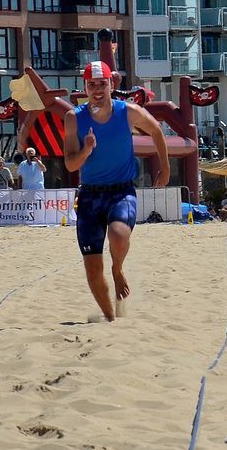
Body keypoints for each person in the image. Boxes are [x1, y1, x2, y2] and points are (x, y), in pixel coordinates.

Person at [62, 61, 169, 322]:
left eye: (102, 84)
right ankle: (110, 319)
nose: (97, 90)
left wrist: (165, 168)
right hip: (89, 196)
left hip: (121, 192)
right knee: (93, 268)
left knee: (119, 235)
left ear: (111, 84)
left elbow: (156, 130)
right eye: (92, 85)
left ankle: (118, 268)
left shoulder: (128, 112)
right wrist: (86, 150)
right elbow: (70, 164)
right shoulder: (74, 118)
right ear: (85, 87)